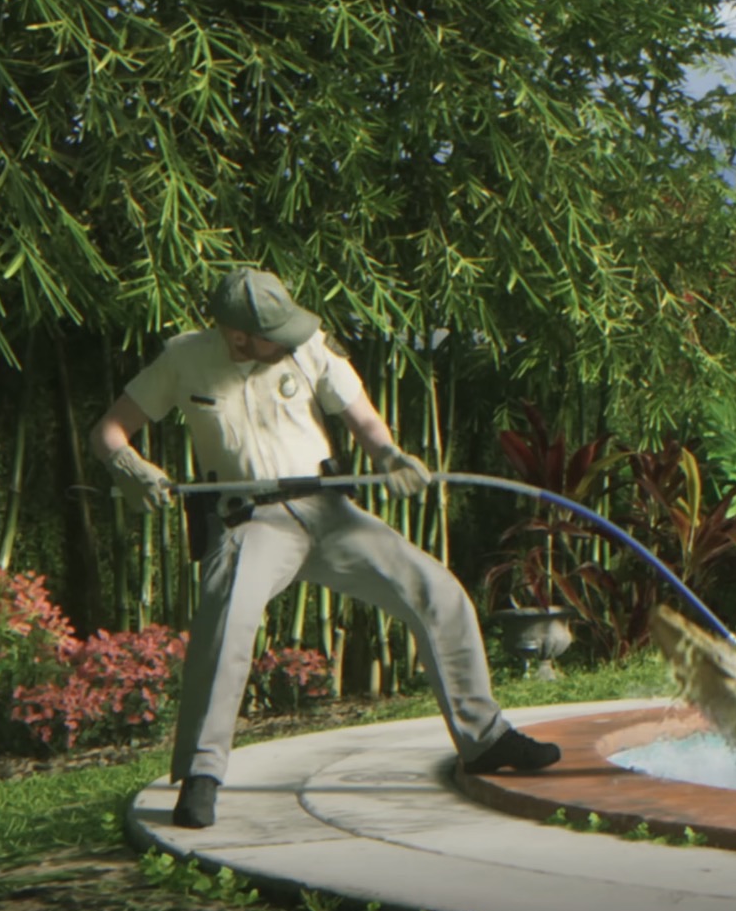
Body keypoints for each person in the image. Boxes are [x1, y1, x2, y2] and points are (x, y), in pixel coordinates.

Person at [92, 267, 559, 828]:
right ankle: (201, 775)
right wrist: (130, 465)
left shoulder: (307, 345)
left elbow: (360, 415)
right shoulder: (183, 358)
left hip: (328, 510)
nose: (287, 340)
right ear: (237, 335)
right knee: (228, 620)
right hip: (251, 522)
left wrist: (389, 456)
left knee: (437, 590)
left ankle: (485, 740)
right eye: (272, 335)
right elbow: (109, 430)